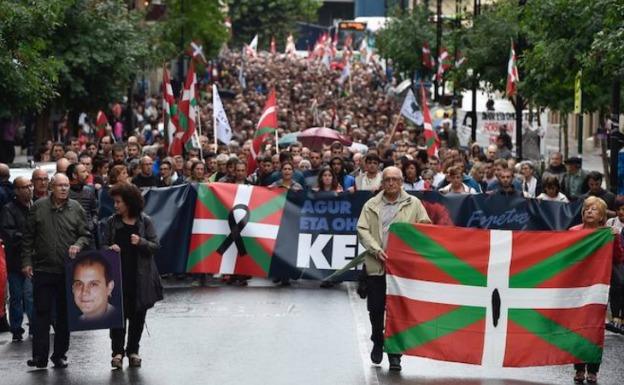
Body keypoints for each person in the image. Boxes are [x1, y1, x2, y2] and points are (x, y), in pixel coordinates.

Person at [357, 166, 431, 371]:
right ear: (382, 182)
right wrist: (375, 249)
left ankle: (395, 352)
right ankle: (377, 339)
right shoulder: (371, 204)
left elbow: (425, 227)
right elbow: (362, 229)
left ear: (401, 182)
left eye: (395, 179)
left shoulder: (413, 203)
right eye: (387, 179)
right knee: (376, 308)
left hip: (402, 270)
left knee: (397, 311)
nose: (391, 183)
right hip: (377, 266)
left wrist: (414, 240)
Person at [21, 173, 91, 369]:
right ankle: (39, 357)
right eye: (60, 185)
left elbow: (85, 234)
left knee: (63, 315)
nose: (64, 189)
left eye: (67, 185)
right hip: (43, 269)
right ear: (52, 187)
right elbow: (28, 238)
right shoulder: (38, 208)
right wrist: (26, 262)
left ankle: (59, 355)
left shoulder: (76, 208)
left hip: (68, 271)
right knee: (41, 313)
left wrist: (78, 244)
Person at [104, 183, 162, 369]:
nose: (115, 206)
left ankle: (133, 351)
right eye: (114, 202)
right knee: (117, 317)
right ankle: (117, 353)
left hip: (141, 277)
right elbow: (102, 245)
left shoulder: (145, 221)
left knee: (138, 317)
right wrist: (109, 248)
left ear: (129, 203)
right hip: (118, 277)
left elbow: (155, 246)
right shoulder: (112, 222)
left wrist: (141, 242)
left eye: (118, 202)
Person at [570, 196, 622, 384]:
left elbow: (617, 258)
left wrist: (615, 237)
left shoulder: (608, 233)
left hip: (599, 288)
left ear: (602, 217)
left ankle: (593, 369)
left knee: (594, 328)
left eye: (594, 209)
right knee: (578, 327)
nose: (589, 211)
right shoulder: (573, 232)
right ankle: (578, 368)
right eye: (586, 209)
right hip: (577, 287)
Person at [0, 177, 34, 342]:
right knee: (16, 296)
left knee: (29, 294)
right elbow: (9, 233)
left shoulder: (35, 206)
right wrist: (29, 238)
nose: (29, 189)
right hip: (15, 261)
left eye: (30, 186)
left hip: (33, 259)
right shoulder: (9, 209)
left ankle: (35, 326)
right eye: (24, 187)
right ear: (16, 190)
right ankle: (16, 329)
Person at [71, 253, 118, 325]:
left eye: (93, 284)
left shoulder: (116, 316)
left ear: (109, 287)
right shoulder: (77, 321)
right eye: (79, 284)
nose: (84, 292)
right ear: (73, 288)